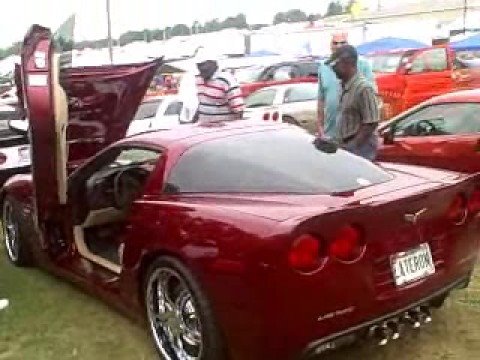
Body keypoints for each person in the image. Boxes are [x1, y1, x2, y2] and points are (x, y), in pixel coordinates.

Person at [317, 32, 376, 139]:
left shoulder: (362, 81)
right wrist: (321, 128)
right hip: (333, 134)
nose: (338, 46)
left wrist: (353, 145)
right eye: (335, 43)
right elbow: (321, 100)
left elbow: (371, 121)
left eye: (342, 43)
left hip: (356, 139)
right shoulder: (324, 67)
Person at [326, 45, 379, 160]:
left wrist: (353, 145)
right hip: (347, 145)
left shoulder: (363, 88)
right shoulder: (344, 87)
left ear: (347, 63)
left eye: (335, 65)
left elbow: (371, 122)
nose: (333, 69)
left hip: (362, 150)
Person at [193, 48, 244, 123]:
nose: (201, 68)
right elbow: (203, 104)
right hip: (204, 129)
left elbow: (239, 110)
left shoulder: (226, 80)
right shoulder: (199, 80)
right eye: (198, 65)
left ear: (214, 63)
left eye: (203, 65)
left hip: (223, 131)